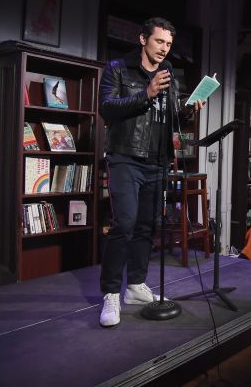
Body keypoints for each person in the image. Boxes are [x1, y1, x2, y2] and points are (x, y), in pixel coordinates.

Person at [98, 17, 204, 327]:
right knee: (125, 224)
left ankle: (135, 286)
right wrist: (145, 93)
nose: (164, 49)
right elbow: (107, 109)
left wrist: (186, 109)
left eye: (169, 44)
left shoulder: (168, 72)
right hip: (125, 157)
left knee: (147, 225)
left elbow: (170, 116)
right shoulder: (118, 67)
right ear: (143, 39)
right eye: (160, 42)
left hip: (158, 160)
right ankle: (111, 295)